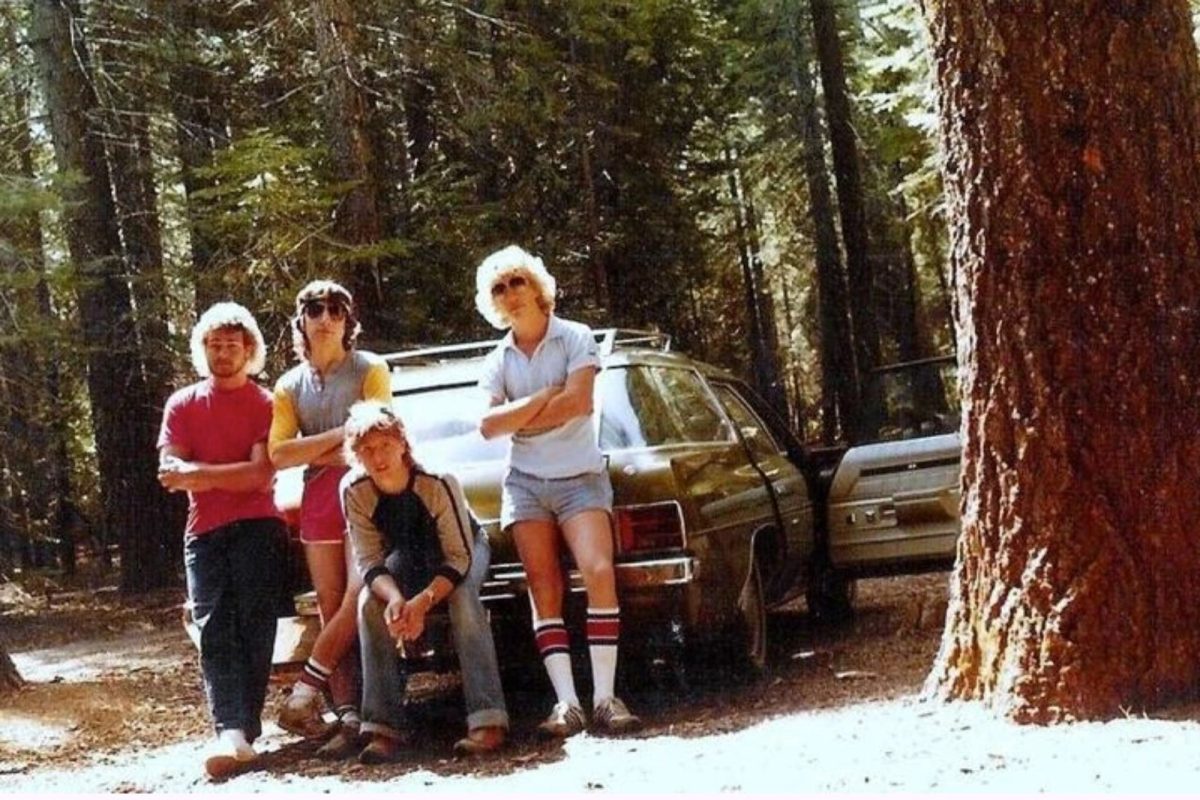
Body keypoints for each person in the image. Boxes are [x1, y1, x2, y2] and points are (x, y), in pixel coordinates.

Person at [475, 244, 640, 737]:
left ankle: (607, 698)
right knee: (543, 586)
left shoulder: (574, 336)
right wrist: (544, 398)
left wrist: (523, 413)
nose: (510, 294)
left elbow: (579, 403)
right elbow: (487, 426)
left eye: (517, 281)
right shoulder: (497, 360)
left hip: (580, 477)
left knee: (597, 570)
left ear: (538, 286)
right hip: (524, 485)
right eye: (499, 288)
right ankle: (566, 703)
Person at [341, 401, 509, 763]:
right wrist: (397, 598)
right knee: (369, 604)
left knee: (463, 598)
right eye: (367, 449)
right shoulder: (354, 489)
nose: (378, 457)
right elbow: (369, 559)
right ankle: (383, 726)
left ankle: (487, 719)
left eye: (385, 445)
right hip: (407, 554)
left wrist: (423, 602)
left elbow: (459, 557)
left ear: (402, 443)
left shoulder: (436, 480)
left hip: (461, 549)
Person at [157, 302, 284, 780]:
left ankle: (244, 729)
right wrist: (205, 477)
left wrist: (199, 473)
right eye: (214, 344)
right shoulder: (182, 404)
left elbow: (258, 475)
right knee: (213, 627)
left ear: (249, 350)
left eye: (233, 344)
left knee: (255, 624)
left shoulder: (267, 403)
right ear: (202, 350)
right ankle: (228, 728)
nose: (224, 351)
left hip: (259, 524)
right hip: (204, 532)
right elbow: (171, 474)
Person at [270, 280, 391, 759]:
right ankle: (348, 716)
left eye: (336, 310)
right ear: (301, 320)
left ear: (349, 320)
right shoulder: (288, 385)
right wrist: (344, 434)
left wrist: (318, 444)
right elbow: (279, 454)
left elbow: (377, 433)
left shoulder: (370, 368)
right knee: (327, 604)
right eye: (315, 309)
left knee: (358, 597)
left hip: (365, 491)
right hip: (317, 494)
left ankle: (308, 691)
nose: (326, 318)